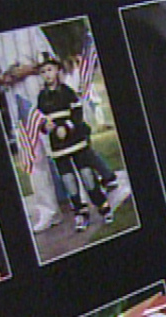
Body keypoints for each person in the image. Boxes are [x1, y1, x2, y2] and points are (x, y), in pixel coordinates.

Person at [0, 27, 62, 233]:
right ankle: (49, 210)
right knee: (34, 157)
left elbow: (51, 60)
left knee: (60, 146)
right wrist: (4, 78)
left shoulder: (29, 29)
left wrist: (28, 69)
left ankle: (80, 198)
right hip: (16, 101)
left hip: (42, 97)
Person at [36, 52, 113, 231]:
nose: (47, 74)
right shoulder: (42, 97)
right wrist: (45, 127)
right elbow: (41, 119)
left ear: (57, 70)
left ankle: (103, 206)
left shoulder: (66, 92)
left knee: (86, 174)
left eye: (50, 69)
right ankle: (80, 212)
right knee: (69, 180)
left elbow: (77, 113)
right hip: (58, 147)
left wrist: (68, 126)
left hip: (75, 141)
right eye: (43, 71)